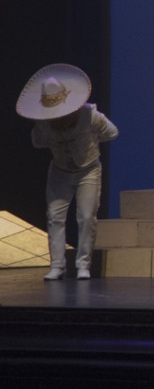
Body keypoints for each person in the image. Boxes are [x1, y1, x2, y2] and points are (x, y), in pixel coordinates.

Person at [16, 64, 118, 281]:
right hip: (60, 171)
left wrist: (92, 141)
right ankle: (57, 266)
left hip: (88, 170)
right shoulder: (44, 123)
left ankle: (83, 265)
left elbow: (112, 132)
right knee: (55, 217)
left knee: (87, 217)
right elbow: (38, 143)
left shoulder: (89, 114)